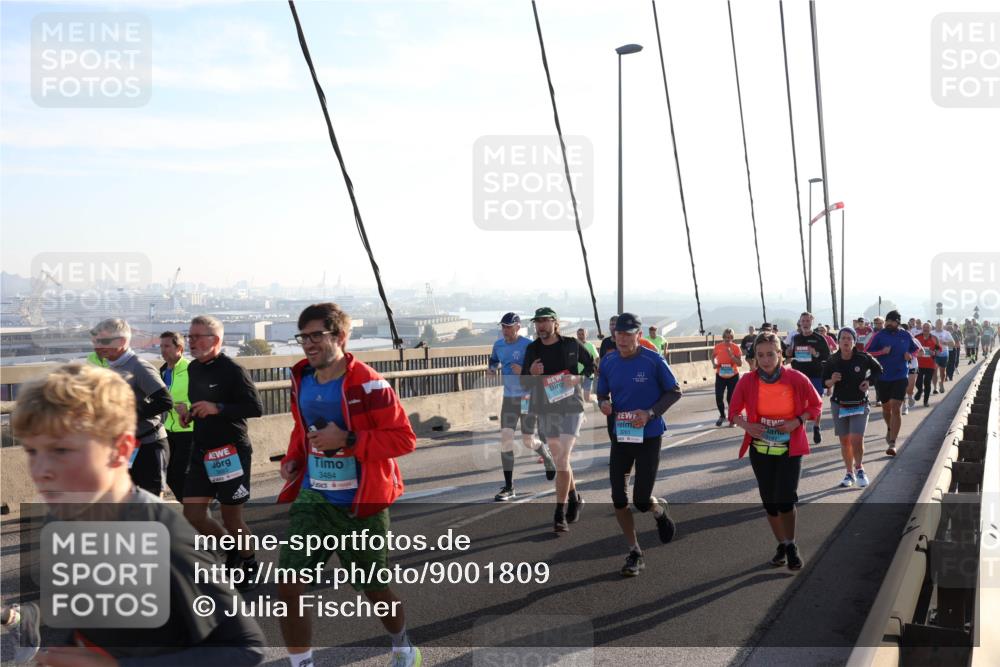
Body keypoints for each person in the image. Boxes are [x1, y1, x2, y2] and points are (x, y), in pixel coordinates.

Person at [11, 363, 266, 666]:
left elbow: (246, 648)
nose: (41, 471)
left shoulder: (162, 535)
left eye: (62, 451)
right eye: (32, 452)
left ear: (120, 449)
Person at [276, 303, 421, 667]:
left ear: (340, 336)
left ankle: (403, 647)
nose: (308, 344)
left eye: (316, 335)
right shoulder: (301, 380)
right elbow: (302, 426)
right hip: (314, 497)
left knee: (374, 589)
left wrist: (350, 440)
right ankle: (302, 663)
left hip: (361, 504)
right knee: (289, 585)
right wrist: (295, 457)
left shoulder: (370, 383)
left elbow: (404, 439)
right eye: (303, 336)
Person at [181, 315, 264, 590]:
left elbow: (255, 408)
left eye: (196, 337)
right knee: (193, 515)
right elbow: (202, 405)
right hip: (202, 452)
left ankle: (249, 561)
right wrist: (191, 415)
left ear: (215, 340)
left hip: (230, 452)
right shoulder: (193, 368)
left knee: (232, 518)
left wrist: (219, 408)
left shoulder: (233, 369)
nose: (190, 342)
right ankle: (232, 551)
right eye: (189, 336)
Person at [597, 313, 682, 576]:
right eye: (618, 334)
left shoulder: (652, 359)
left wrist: (650, 413)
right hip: (620, 436)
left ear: (639, 335)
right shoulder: (609, 361)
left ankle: (657, 510)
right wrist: (603, 404)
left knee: (641, 499)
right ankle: (635, 552)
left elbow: (675, 391)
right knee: (619, 498)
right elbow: (602, 393)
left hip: (649, 436)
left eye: (628, 334)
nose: (622, 339)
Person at [729, 332, 823, 571]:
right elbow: (733, 412)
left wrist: (797, 421)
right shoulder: (748, 381)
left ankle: (791, 544)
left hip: (789, 448)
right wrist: (747, 425)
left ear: (780, 354)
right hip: (760, 450)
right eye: (760, 355)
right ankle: (781, 544)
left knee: (785, 497)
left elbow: (815, 405)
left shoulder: (796, 378)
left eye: (771, 354)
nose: (766, 359)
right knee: (770, 502)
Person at [521, 307, 595, 533]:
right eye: (537, 322)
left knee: (562, 459)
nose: (541, 326)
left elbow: (592, 365)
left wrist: (578, 378)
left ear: (555, 323)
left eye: (545, 321)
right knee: (562, 460)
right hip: (546, 410)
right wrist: (531, 373)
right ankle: (574, 498)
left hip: (571, 408)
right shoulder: (532, 349)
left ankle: (559, 514)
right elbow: (523, 383)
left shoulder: (571, 344)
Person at [89, 318, 173, 497]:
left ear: (121, 342)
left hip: (149, 445)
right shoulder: (110, 367)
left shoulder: (140, 367)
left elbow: (165, 401)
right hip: (126, 447)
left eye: (104, 341)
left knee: (151, 508)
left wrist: (128, 414)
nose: (98, 346)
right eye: (96, 341)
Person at [488, 312, 556, 501]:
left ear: (518, 327)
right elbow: (493, 360)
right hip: (509, 399)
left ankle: (545, 453)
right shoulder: (498, 345)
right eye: (503, 327)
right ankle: (509, 487)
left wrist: (524, 371)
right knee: (506, 440)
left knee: (528, 441)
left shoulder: (528, 345)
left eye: (508, 327)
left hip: (528, 397)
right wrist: (492, 369)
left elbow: (541, 370)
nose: (505, 330)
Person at [823, 328, 882, 488]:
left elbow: (878, 370)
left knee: (857, 439)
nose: (846, 341)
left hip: (859, 403)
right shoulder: (832, 360)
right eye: (843, 338)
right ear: (838, 341)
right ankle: (849, 473)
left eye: (849, 338)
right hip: (839, 404)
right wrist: (832, 381)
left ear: (854, 341)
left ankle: (859, 468)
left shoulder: (863, 357)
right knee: (845, 441)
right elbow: (824, 382)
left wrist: (869, 382)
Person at [865, 310, 919, 456]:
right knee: (886, 408)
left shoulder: (906, 335)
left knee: (896, 408)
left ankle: (893, 443)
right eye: (887, 321)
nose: (888, 323)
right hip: (882, 377)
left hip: (900, 376)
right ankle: (889, 427)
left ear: (898, 322)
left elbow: (916, 350)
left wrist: (910, 355)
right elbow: (866, 352)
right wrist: (881, 352)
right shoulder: (879, 335)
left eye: (892, 321)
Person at [160, 331, 194, 501]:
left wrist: (187, 408)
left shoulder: (190, 369)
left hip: (188, 429)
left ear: (179, 348)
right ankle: (195, 505)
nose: (162, 350)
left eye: (167, 346)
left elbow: (203, 397)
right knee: (166, 472)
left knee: (178, 473)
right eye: (161, 346)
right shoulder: (162, 371)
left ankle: (195, 508)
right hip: (168, 430)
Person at [786, 312, 829, 444]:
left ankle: (816, 426)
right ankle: (801, 430)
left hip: (815, 374)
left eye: (807, 321)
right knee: (799, 404)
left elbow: (827, 356)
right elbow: (789, 354)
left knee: (816, 402)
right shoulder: (796, 338)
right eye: (803, 321)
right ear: (800, 322)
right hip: (799, 375)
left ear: (812, 322)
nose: (805, 323)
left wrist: (815, 353)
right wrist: (787, 352)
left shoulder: (819, 338)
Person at [712, 328, 743, 427]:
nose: (727, 339)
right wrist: (714, 363)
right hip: (720, 375)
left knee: (731, 399)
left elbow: (739, 364)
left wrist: (732, 356)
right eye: (725, 337)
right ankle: (722, 415)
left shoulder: (735, 348)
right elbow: (712, 356)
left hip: (733, 376)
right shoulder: (718, 347)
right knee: (718, 397)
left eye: (729, 337)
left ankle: (733, 419)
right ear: (723, 337)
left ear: (732, 338)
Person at [575, 327, 599, 402]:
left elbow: (597, 358)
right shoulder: (574, 346)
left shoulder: (590, 346)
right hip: (577, 375)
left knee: (586, 398)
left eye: (582, 334)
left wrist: (598, 368)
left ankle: (595, 398)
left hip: (588, 374)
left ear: (586, 335)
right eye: (579, 334)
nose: (580, 336)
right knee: (575, 396)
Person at [932, 319, 954, 394]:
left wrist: (945, 342)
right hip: (934, 355)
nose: (938, 325)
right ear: (935, 324)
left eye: (940, 323)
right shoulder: (932, 333)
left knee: (943, 372)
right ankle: (935, 388)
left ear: (942, 325)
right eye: (937, 323)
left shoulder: (946, 333)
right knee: (934, 371)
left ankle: (941, 383)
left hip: (944, 354)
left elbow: (953, 343)